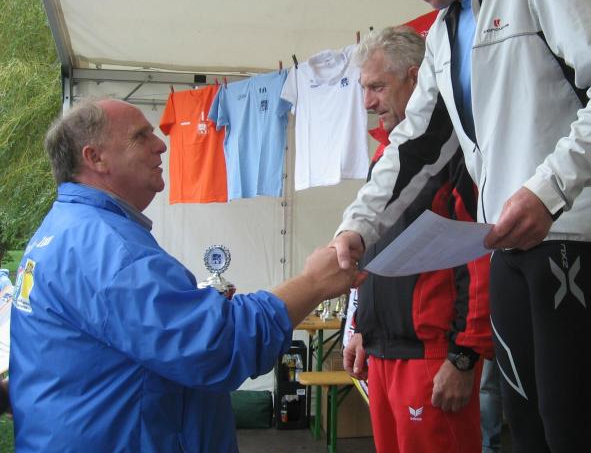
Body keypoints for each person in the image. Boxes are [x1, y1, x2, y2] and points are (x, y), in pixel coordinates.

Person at [331, 0, 591, 452]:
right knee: (522, 421)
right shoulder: (439, 35)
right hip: (505, 239)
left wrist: (548, 190)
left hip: (569, 229)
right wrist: (359, 224)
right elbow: (413, 145)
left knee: (564, 422)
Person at [9, 98, 356, 453]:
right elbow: (218, 345)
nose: (161, 145)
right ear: (95, 158)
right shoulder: (111, 250)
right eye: (140, 136)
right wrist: (314, 282)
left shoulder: (63, 229)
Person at [342, 26, 492, 453]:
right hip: (384, 353)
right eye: (364, 88)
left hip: (433, 356)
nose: (367, 102)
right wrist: (362, 329)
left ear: (416, 78)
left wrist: (464, 356)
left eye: (377, 87)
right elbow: (374, 251)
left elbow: (481, 256)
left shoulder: (458, 152)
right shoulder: (386, 156)